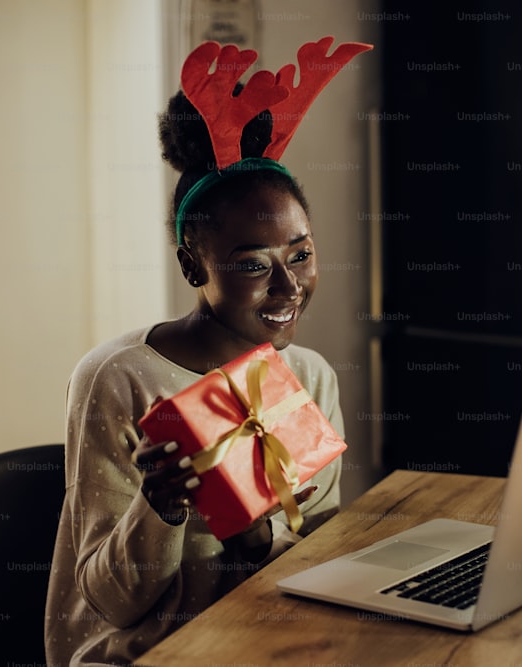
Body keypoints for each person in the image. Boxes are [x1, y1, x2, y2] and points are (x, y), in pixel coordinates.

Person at [44, 37, 370, 666]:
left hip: (272, 637)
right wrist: (159, 509)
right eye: (252, 263)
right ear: (193, 263)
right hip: (146, 650)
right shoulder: (120, 379)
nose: (289, 286)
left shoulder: (308, 375)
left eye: (300, 254)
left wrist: (257, 539)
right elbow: (111, 602)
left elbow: (320, 547)